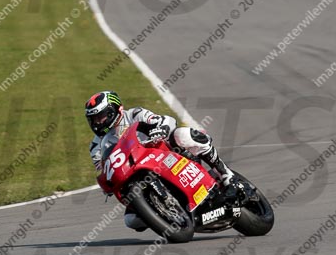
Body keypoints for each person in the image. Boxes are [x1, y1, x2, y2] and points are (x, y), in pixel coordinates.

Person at [85, 90, 236, 231]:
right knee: (131, 220)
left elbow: (165, 120)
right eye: (93, 120)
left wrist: (161, 128)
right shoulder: (95, 145)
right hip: (133, 173)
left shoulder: (135, 114)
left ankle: (225, 174)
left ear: (115, 110)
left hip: (162, 154)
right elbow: (103, 167)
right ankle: (164, 215)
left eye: (101, 117)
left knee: (183, 135)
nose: (98, 123)